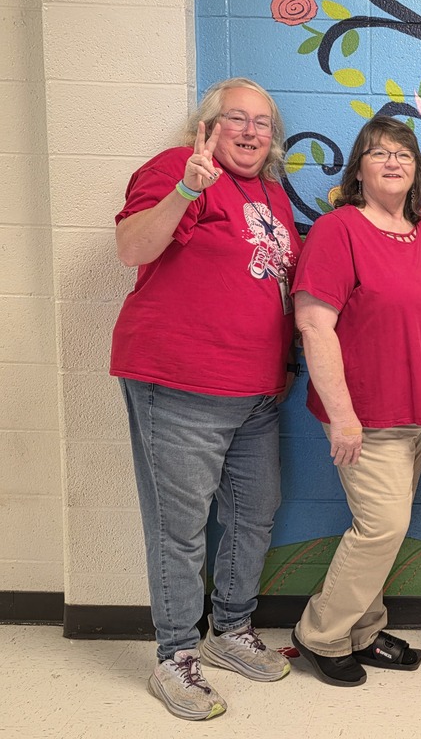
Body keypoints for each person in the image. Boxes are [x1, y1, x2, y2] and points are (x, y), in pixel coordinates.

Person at [112, 77, 299, 720]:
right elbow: (132, 248)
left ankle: (230, 631)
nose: (249, 131)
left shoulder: (271, 194)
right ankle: (175, 657)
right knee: (181, 528)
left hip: (255, 393)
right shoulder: (174, 169)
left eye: (262, 123)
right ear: (209, 125)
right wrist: (189, 188)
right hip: (180, 381)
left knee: (254, 514)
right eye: (236, 119)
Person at [289, 116, 421, 688]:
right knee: (382, 527)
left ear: (418, 170)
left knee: (387, 526)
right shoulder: (339, 230)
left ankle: (363, 631)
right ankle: (319, 633)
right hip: (365, 417)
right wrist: (342, 417)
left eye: (403, 153)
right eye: (378, 152)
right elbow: (315, 326)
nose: (392, 161)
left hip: (419, 415)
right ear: (358, 168)